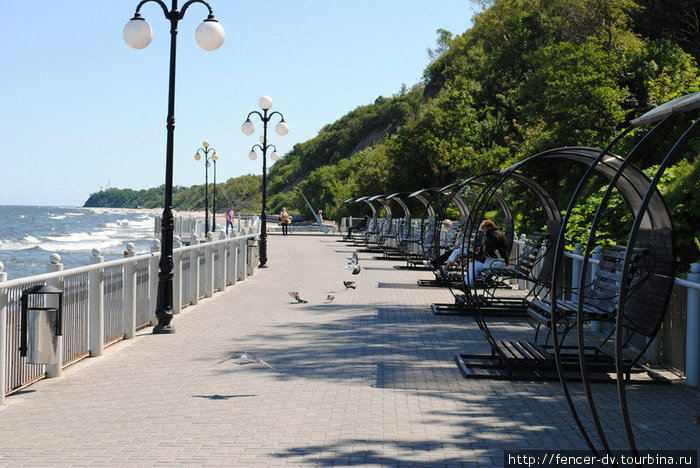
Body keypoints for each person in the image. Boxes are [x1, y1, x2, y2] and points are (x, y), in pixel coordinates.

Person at [439, 219, 507, 287]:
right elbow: (490, 250)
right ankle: (466, 284)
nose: (484, 232)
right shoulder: (496, 235)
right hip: (496, 261)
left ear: (488, 228)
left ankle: (467, 285)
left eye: (484, 230)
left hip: (495, 263)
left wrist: (479, 249)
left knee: (475, 265)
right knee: (474, 264)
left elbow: (489, 250)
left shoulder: (491, 236)